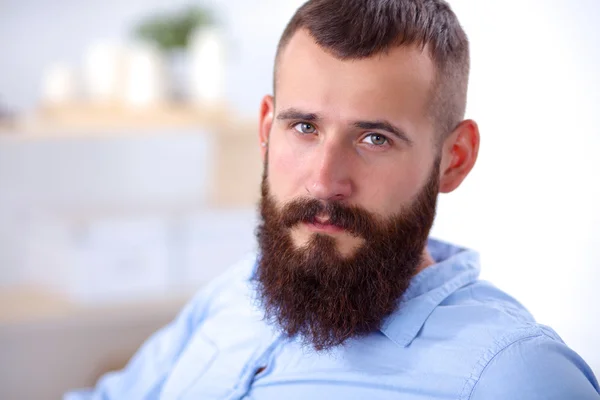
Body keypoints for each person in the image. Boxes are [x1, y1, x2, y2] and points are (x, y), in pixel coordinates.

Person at [66, 0, 600, 398]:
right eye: (303, 127)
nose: (324, 182)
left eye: (375, 139)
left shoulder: (515, 377)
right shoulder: (234, 291)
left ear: (453, 159)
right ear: (265, 129)